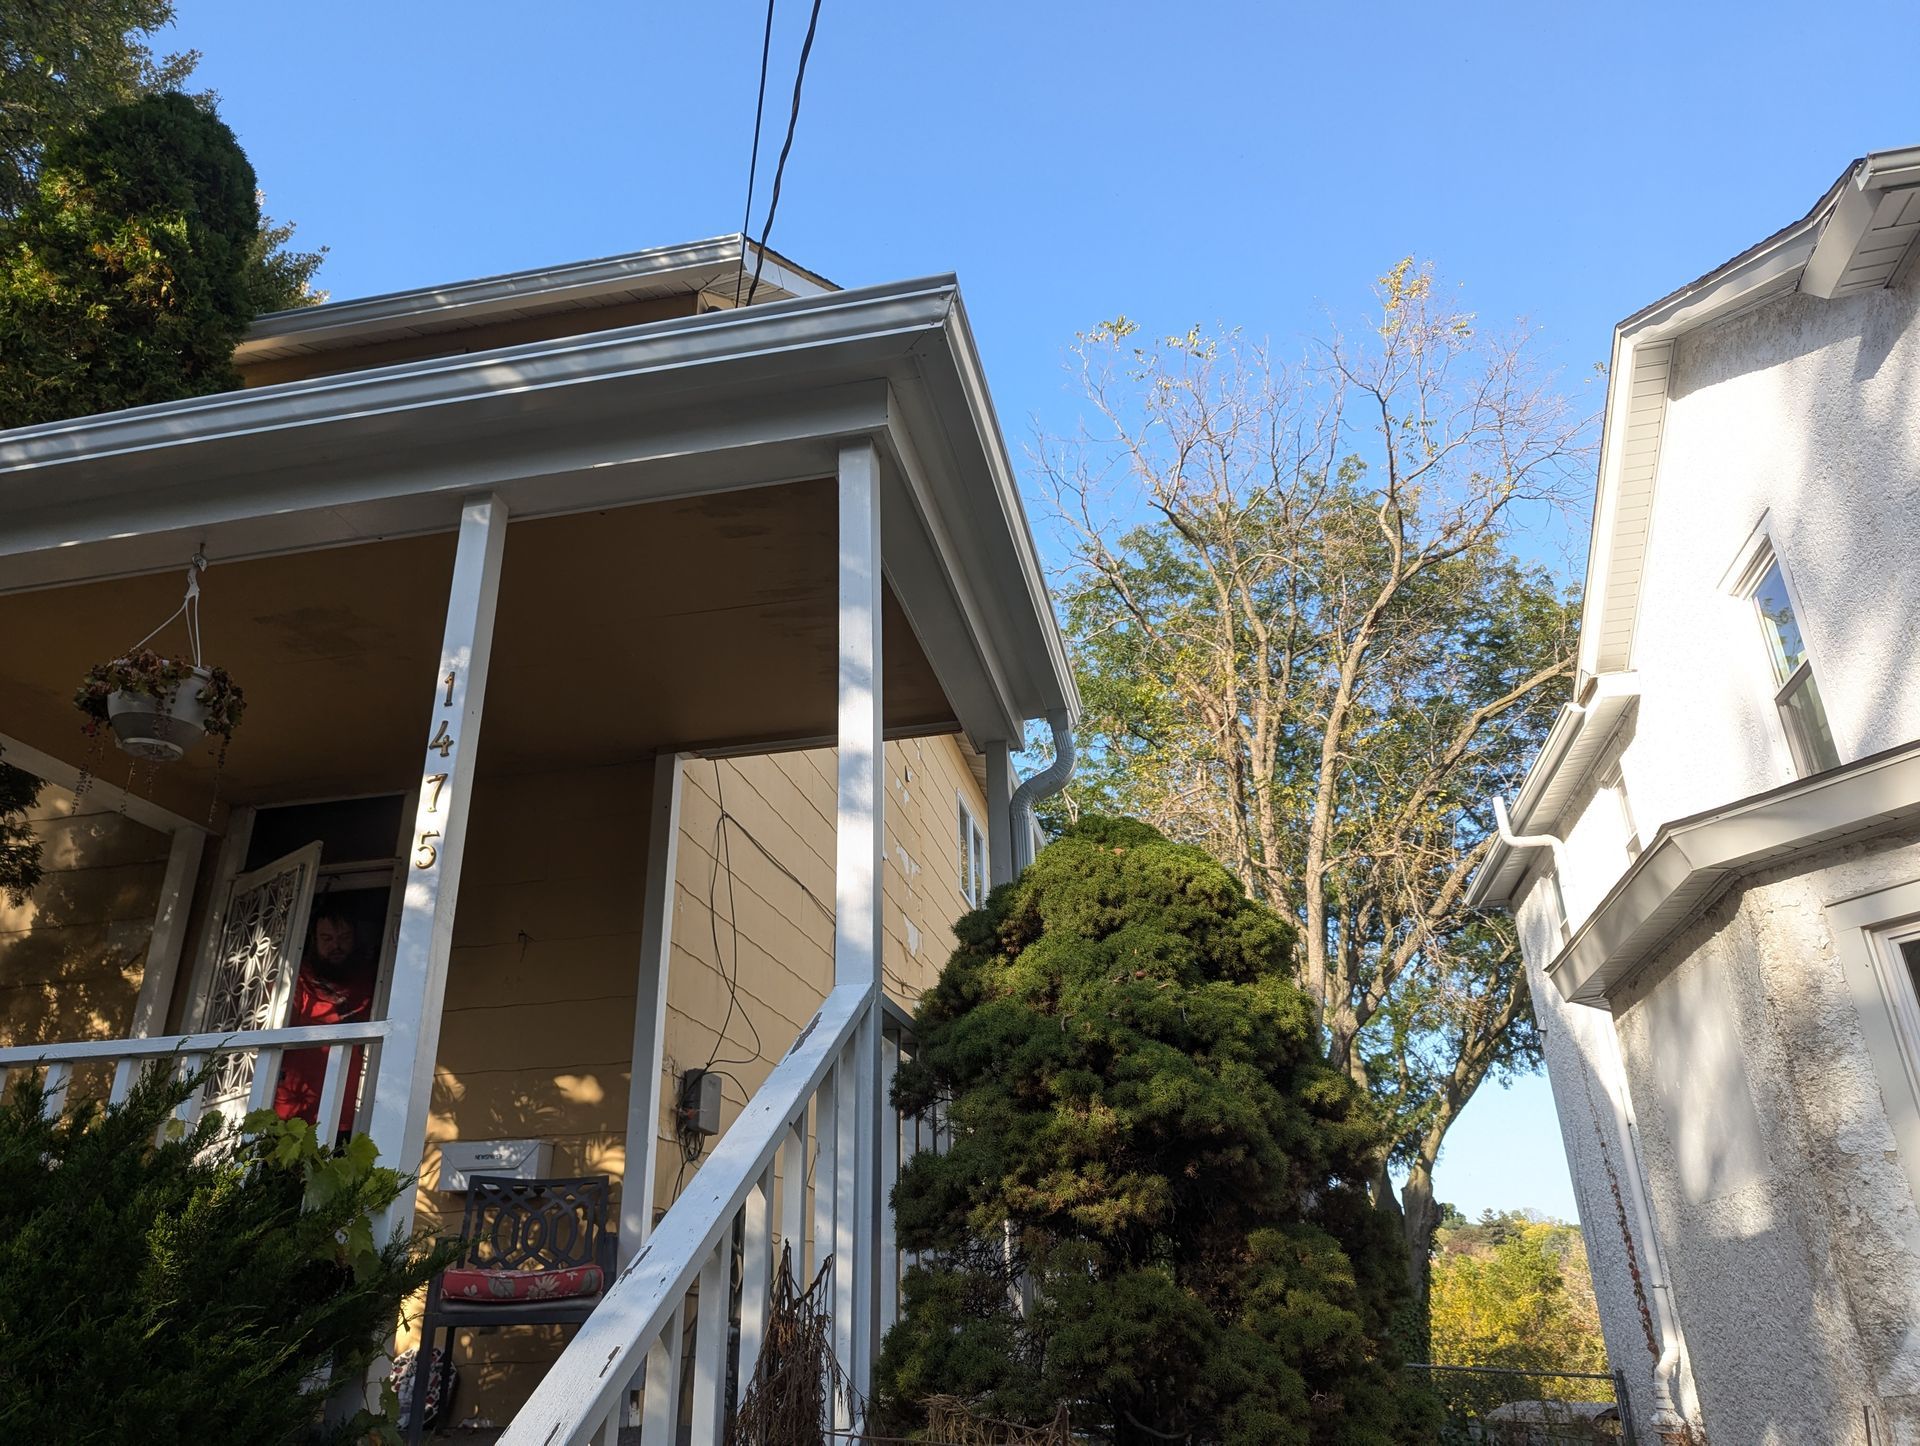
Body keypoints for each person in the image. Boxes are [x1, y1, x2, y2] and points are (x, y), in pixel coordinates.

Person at [273, 897, 379, 1137]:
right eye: (327, 938)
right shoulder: (294, 980)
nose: (336, 946)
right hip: (292, 1108)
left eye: (344, 938)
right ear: (314, 940)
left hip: (350, 1109)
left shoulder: (374, 979)